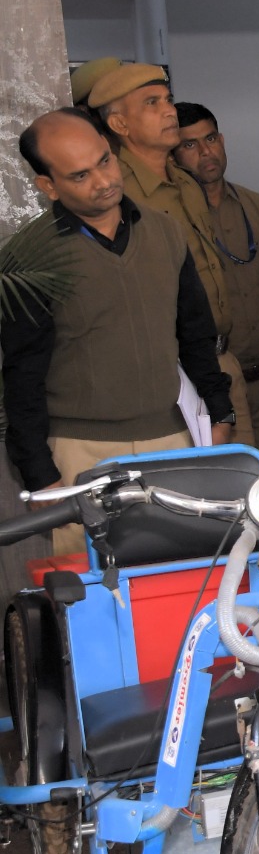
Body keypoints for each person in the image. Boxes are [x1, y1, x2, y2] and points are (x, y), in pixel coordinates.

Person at [1, 109, 234, 552]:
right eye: (80, 175)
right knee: (98, 595)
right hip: (80, 454)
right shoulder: (31, 258)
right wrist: (40, 474)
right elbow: (22, 376)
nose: (103, 180)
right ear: (48, 186)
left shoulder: (165, 233)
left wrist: (220, 412)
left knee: (182, 573)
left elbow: (195, 336)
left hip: (172, 440)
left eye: (105, 161)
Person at [87, 63, 254, 448]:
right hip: (167, 375)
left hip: (218, 362)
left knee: (246, 487)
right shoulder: (116, 193)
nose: (169, 111)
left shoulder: (185, 184)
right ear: (120, 125)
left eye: (168, 100)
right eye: (151, 103)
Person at [173, 102, 259, 476]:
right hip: (215, 381)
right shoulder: (173, 218)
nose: (206, 152)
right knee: (235, 489)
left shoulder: (257, 205)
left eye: (210, 139)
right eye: (190, 145)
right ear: (174, 155)